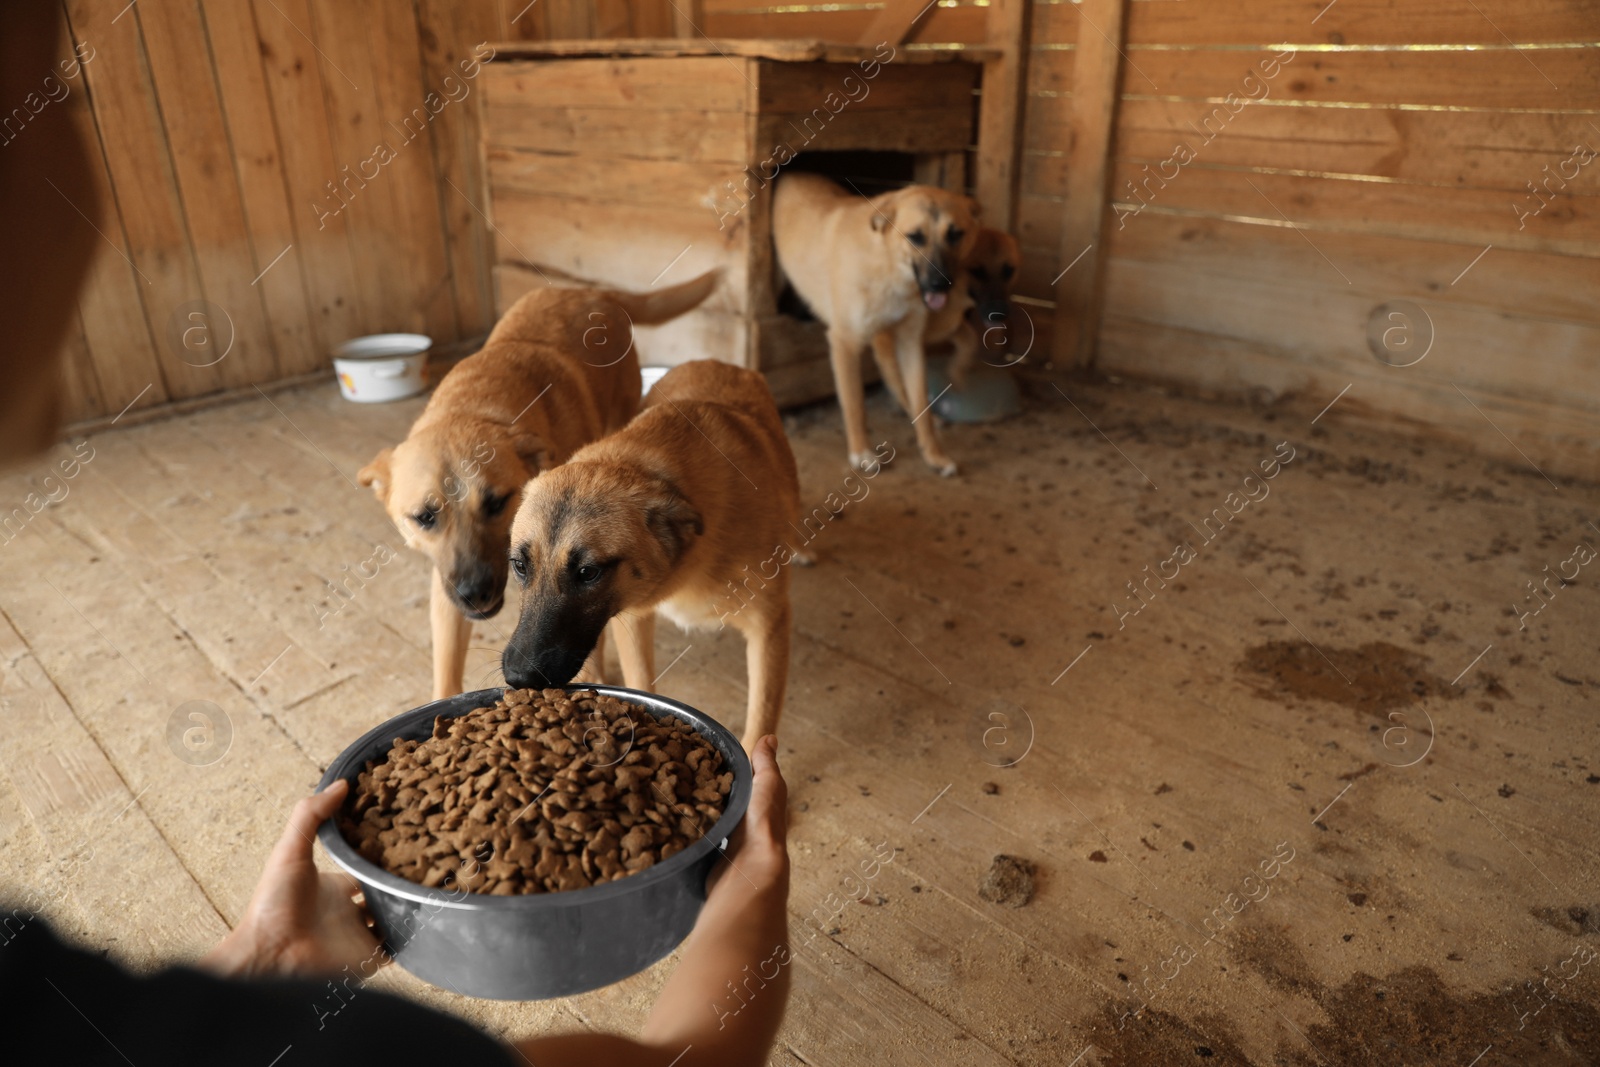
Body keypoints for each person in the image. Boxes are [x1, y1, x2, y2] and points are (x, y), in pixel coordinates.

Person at [0, 2, 793, 1062]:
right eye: (66, 94)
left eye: (68, 93)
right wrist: (755, 889)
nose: (472, 566)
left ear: (528, 466)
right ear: (382, 491)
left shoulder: (561, 464)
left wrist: (253, 962)